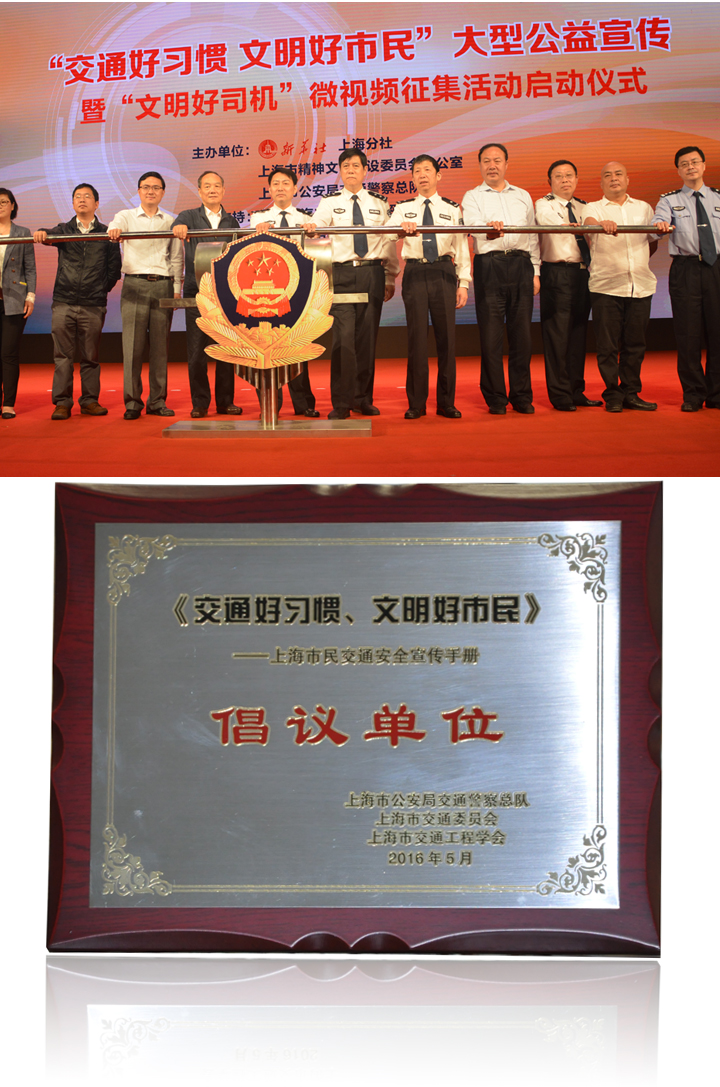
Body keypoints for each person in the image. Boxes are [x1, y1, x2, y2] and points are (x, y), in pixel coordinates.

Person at [305, 149, 398, 419]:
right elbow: (318, 223)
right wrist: (311, 226)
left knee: (367, 340)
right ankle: (341, 403)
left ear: (365, 170)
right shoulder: (329, 201)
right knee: (343, 340)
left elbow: (388, 241)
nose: (351, 170)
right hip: (342, 275)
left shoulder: (379, 202)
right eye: (345, 166)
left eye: (356, 165)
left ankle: (362, 399)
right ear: (340, 171)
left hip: (372, 273)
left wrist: (390, 276)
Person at [386, 154, 470, 418]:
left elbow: (461, 247)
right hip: (415, 272)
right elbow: (387, 235)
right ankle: (416, 403)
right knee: (417, 341)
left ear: (438, 175)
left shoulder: (451, 208)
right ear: (412, 177)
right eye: (417, 171)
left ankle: (447, 402)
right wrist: (401, 229)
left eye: (427, 170)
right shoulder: (403, 208)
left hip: (444, 271)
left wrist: (463, 282)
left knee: (447, 341)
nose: (422, 175)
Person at [582, 162, 668, 412]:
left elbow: (652, 240)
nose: (614, 179)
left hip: (640, 285)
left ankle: (631, 392)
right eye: (607, 175)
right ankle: (613, 395)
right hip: (606, 286)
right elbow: (588, 223)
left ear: (627, 179)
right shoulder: (593, 207)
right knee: (607, 346)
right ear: (601, 182)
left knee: (635, 344)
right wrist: (600, 223)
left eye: (618, 174)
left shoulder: (643, 207)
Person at [462, 143, 540, 415]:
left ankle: (522, 396)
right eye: (486, 161)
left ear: (506, 164)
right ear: (480, 165)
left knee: (522, 336)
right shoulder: (472, 196)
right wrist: (488, 230)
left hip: (521, 265)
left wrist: (536, 270)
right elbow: (472, 227)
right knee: (491, 336)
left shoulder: (522, 195)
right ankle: (496, 397)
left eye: (497, 160)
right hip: (490, 265)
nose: (492, 165)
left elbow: (532, 235)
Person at [34, 184, 121, 420]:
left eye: (87, 196)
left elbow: (114, 270)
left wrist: (98, 290)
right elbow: (46, 233)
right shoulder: (64, 229)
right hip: (63, 301)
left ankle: (90, 401)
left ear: (97, 203)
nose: (82, 200)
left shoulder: (107, 233)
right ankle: (62, 403)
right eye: (77, 197)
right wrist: (41, 232)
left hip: (93, 304)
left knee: (90, 356)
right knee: (62, 356)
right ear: (73, 203)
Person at [108, 172, 182, 419]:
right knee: (132, 347)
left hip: (163, 285)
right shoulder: (126, 216)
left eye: (156, 187)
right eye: (146, 187)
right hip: (134, 284)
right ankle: (132, 403)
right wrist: (115, 230)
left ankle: (157, 401)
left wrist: (176, 289)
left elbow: (176, 257)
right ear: (139, 191)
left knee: (160, 348)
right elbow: (114, 226)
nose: (151, 191)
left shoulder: (171, 221)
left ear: (163, 192)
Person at [652, 146, 720, 411]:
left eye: (694, 162)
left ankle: (716, 393)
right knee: (688, 334)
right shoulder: (669, 200)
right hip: (686, 269)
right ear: (678, 170)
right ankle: (693, 394)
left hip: (717, 268)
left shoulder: (718, 197)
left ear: (703, 166)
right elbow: (658, 223)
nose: (690, 167)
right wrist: (659, 225)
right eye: (684, 164)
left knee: (717, 332)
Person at [172, 170, 243, 418]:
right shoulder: (189, 216)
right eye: (207, 186)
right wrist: (179, 227)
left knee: (226, 349)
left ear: (223, 190)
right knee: (196, 352)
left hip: (225, 293)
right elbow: (175, 226)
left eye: (216, 186)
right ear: (199, 191)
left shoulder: (232, 222)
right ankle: (200, 403)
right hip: (197, 292)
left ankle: (225, 402)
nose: (212, 190)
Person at [249, 167, 319, 416]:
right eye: (275, 183)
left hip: (298, 290)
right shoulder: (258, 219)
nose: (280, 187)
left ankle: (303, 404)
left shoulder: (306, 219)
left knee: (298, 345)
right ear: (269, 189)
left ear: (295, 188)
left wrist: (313, 233)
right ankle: (269, 405)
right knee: (266, 346)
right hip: (266, 292)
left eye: (285, 183)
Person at [535, 160, 601, 411]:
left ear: (576, 179)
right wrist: (568, 226)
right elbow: (548, 221)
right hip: (556, 272)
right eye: (559, 176)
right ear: (550, 181)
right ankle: (560, 394)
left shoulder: (585, 207)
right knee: (557, 336)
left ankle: (576, 391)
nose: (565, 180)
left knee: (578, 334)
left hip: (583, 274)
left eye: (569, 175)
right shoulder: (544, 204)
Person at [0, 187, 35, 418]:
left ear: (12, 205)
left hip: (13, 299)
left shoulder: (22, 232)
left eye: (4, 201)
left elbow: (29, 268)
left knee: (9, 353)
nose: (0, 205)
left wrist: (30, 296)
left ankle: (8, 404)